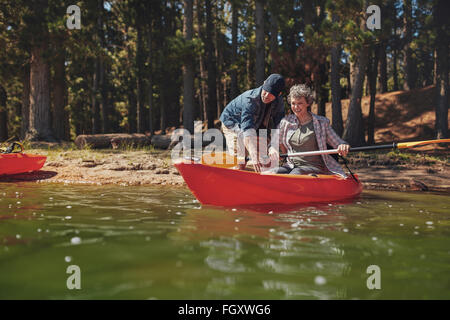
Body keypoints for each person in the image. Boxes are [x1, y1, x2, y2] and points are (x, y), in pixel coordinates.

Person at [268, 84, 350, 176]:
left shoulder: (321, 123)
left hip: (314, 167)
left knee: (296, 174)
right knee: (270, 173)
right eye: (293, 103)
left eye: (300, 103)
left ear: (308, 103)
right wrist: (272, 148)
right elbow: (274, 142)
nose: (296, 107)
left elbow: (338, 142)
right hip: (291, 166)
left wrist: (343, 146)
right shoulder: (285, 122)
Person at [219, 73, 286, 172]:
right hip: (233, 123)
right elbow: (246, 129)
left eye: (271, 93)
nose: (266, 95)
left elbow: (279, 125)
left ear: (279, 94)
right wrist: (253, 153)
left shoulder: (279, 101)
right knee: (241, 160)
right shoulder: (250, 99)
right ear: (263, 83)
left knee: (264, 162)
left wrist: (274, 146)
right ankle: (236, 173)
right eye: (265, 90)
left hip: (256, 126)